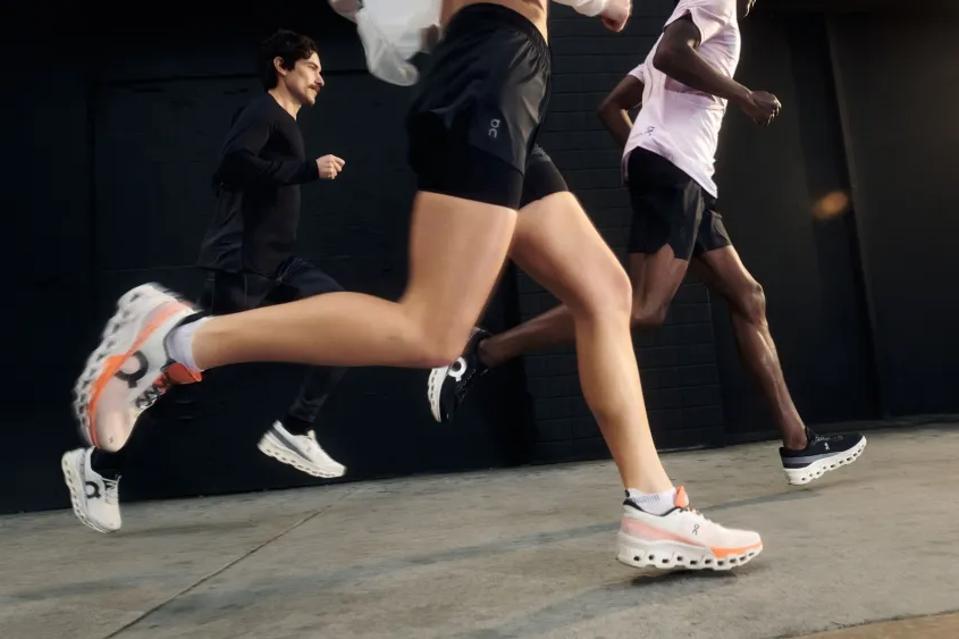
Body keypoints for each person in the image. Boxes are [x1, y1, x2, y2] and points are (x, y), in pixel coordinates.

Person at [72, 0, 763, 570]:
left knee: (604, 294)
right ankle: (179, 339)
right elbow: (612, 10)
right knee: (432, 329)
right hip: (489, 78)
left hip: (497, 81)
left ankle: (652, 509)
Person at [428, 0, 866, 487]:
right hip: (676, 171)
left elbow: (611, 105)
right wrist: (743, 97)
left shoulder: (677, 28)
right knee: (642, 309)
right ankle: (484, 352)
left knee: (748, 297)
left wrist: (643, 146)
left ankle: (799, 443)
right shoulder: (709, 4)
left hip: (684, 174)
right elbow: (671, 57)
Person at [62, 30, 349, 533]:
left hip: (276, 264)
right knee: (195, 385)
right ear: (282, 66)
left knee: (344, 318)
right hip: (240, 265)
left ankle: (297, 426)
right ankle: (100, 464)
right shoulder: (263, 111)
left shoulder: (283, 120)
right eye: (312, 68)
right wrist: (307, 169)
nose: (321, 78)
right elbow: (233, 165)